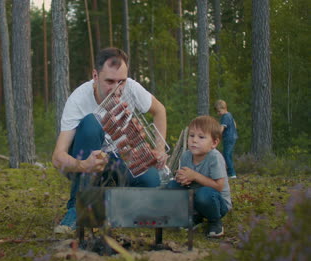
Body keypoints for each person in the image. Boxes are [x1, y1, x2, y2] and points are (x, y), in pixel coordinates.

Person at [52, 47, 167, 234]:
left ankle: (111, 205)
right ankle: (77, 207)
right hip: (85, 160)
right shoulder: (78, 99)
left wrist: (159, 149)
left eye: (121, 81)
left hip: (117, 160)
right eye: (109, 81)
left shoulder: (131, 88)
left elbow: (159, 110)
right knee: (91, 123)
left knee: (151, 180)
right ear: (95, 76)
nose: (117, 88)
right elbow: (57, 157)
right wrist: (83, 165)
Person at [167, 116, 232, 237]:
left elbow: (219, 186)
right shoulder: (186, 156)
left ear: (214, 143)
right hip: (197, 198)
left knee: (204, 194)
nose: (194, 140)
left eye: (201, 137)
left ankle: (215, 221)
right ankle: (195, 216)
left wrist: (195, 176)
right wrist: (181, 178)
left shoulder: (214, 158)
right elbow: (187, 180)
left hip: (217, 203)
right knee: (171, 186)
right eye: (191, 136)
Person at [214, 100, 238, 179]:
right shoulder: (230, 115)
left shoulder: (225, 117)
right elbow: (234, 124)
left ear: (223, 108)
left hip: (228, 137)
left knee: (226, 155)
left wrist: (217, 135)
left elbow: (222, 128)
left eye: (219, 111)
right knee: (229, 155)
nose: (218, 113)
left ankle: (232, 173)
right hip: (233, 137)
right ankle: (230, 172)